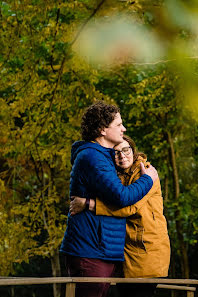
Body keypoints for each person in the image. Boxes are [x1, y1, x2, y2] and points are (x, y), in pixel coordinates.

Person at [60, 101, 159, 297]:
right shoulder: (93, 157)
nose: (124, 128)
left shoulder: (104, 157)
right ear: (102, 129)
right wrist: (149, 178)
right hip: (90, 251)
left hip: (101, 250)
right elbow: (122, 197)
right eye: (118, 124)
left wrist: (88, 204)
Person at [70, 135, 170, 297]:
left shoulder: (146, 173)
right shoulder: (117, 176)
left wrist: (88, 204)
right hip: (124, 251)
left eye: (126, 150)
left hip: (146, 250)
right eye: (116, 153)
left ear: (133, 150)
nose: (122, 156)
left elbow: (128, 207)